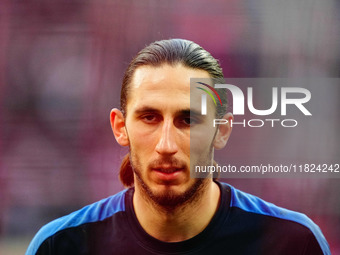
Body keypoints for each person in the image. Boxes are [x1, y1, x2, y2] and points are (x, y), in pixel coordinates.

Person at [25, 39, 330, 255]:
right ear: (120, 127)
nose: (166, 145)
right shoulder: (61, 245)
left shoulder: (294, 243)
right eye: (149, 117)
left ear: (221, 131)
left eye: (188, 119)